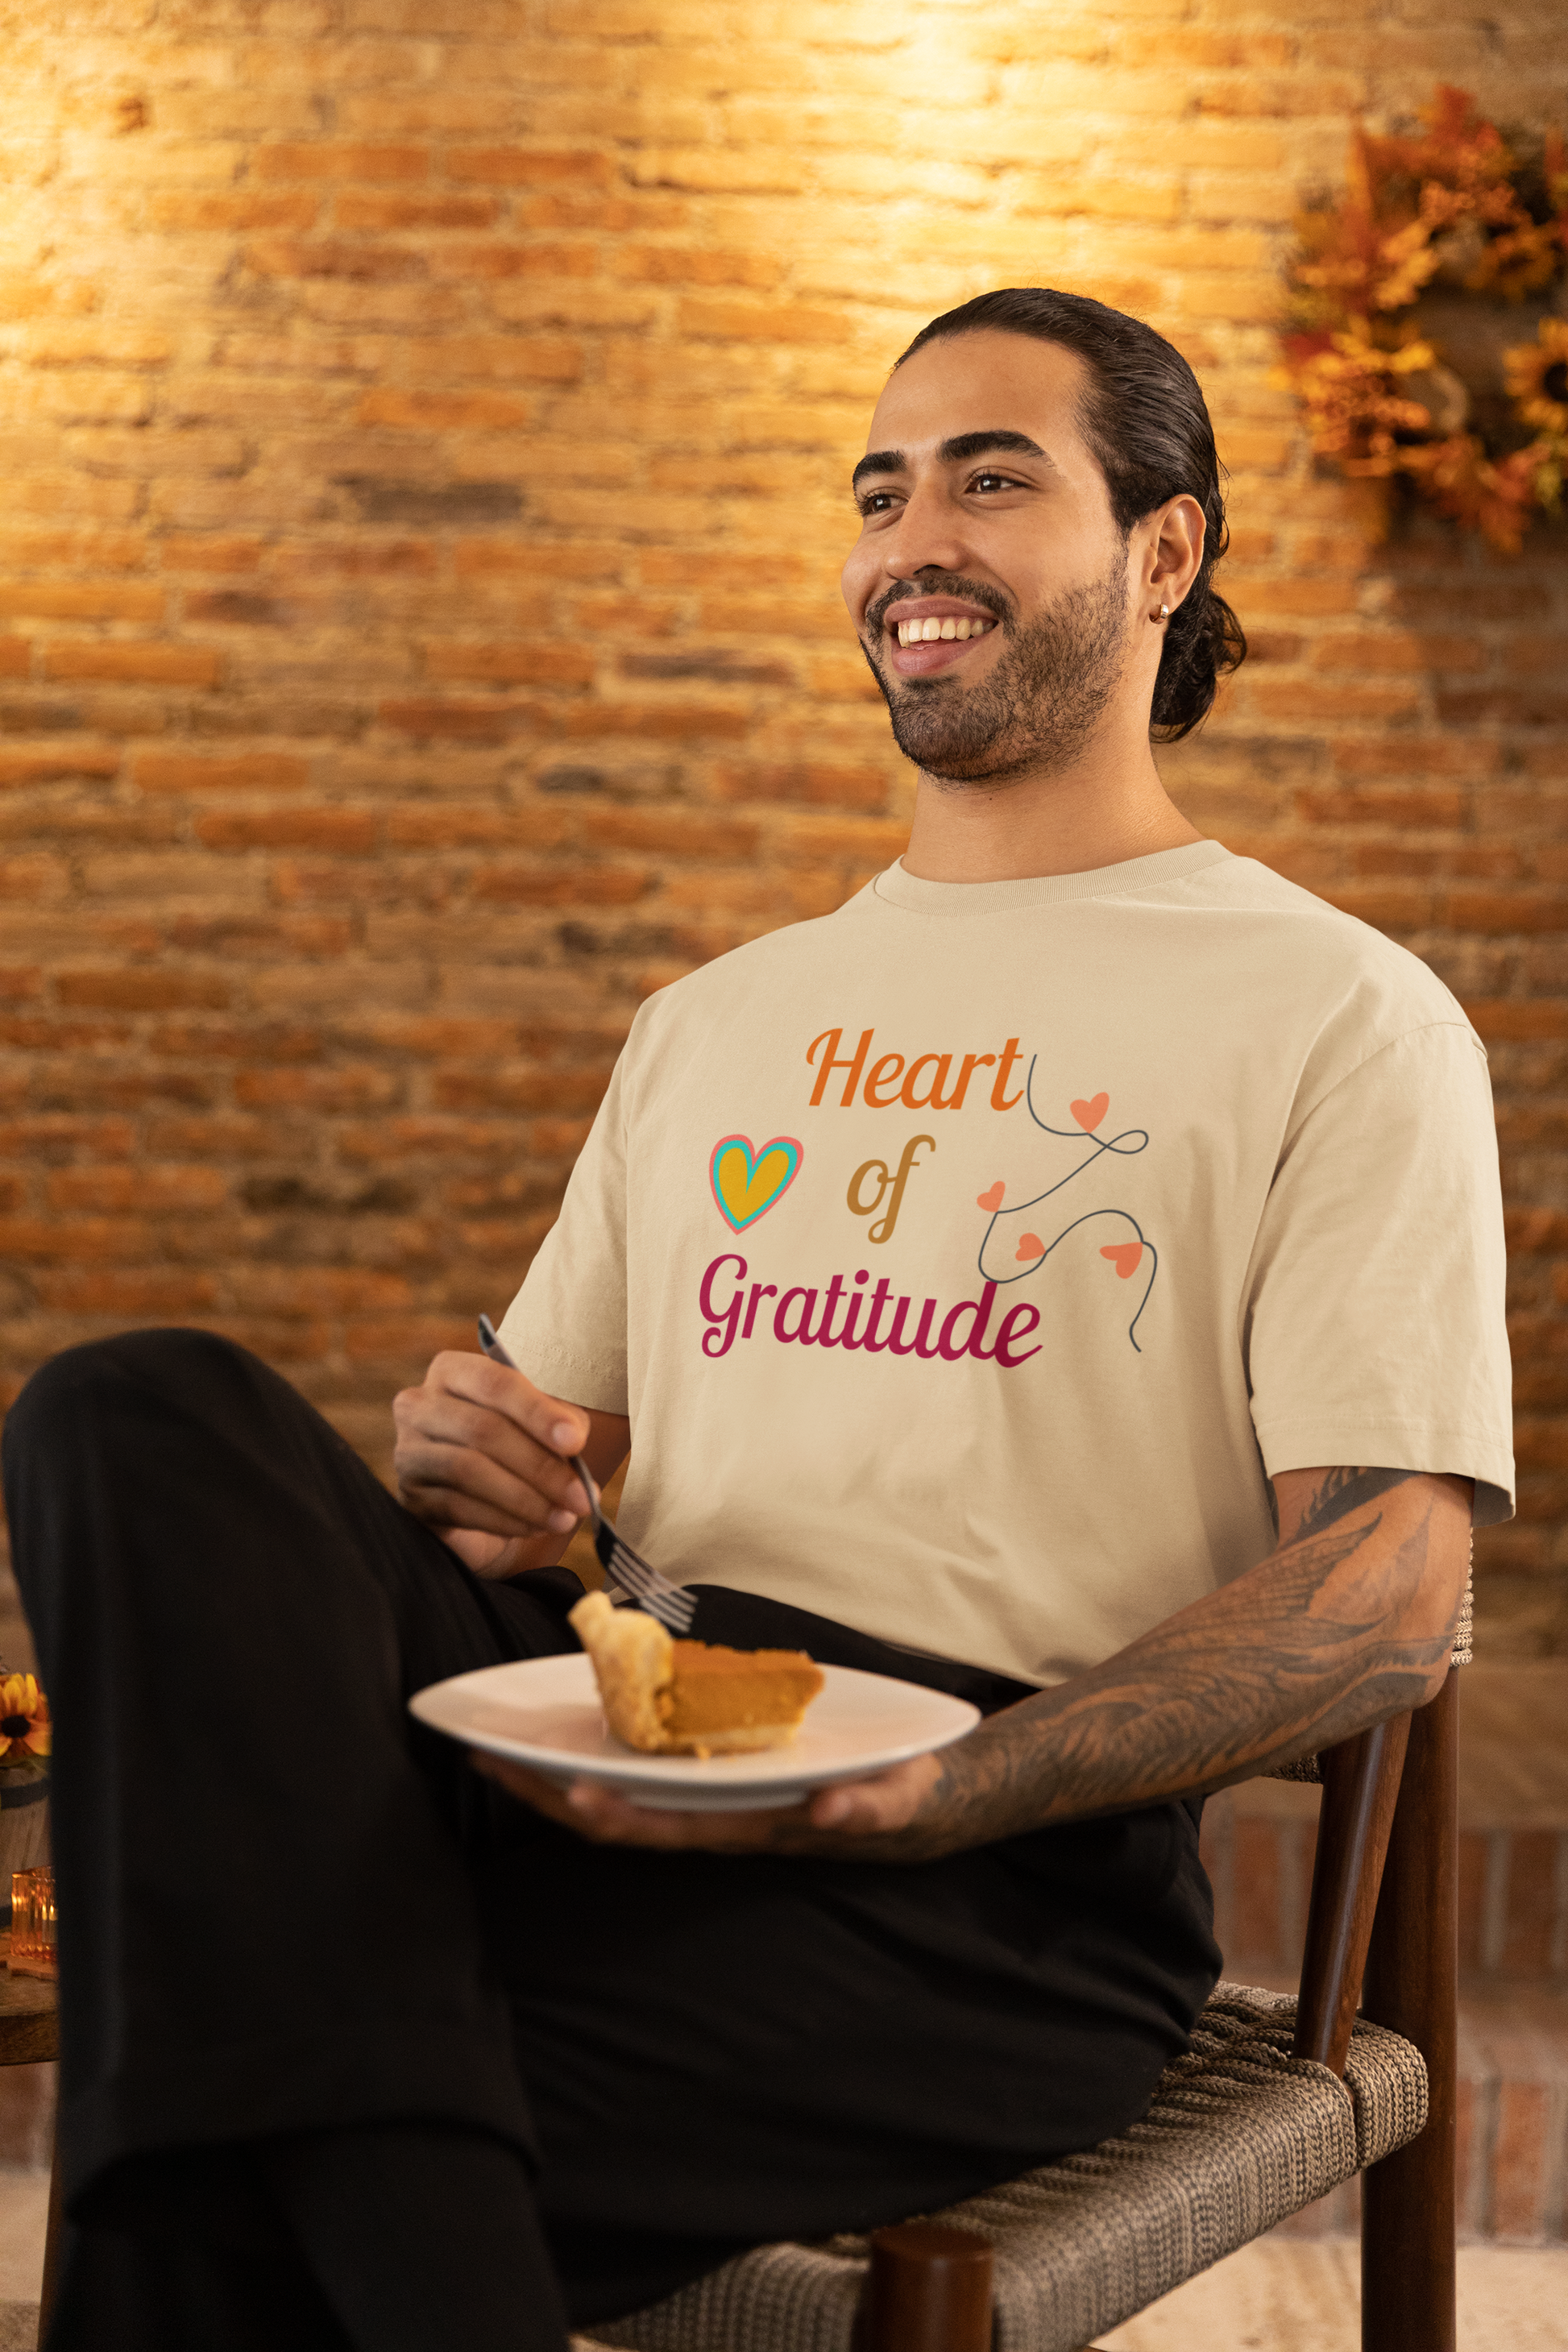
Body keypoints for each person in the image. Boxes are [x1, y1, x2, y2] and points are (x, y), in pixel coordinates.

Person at [3, 288, 1512, 2352]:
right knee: (129, 1406)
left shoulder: (1338, 1012)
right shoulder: (713, 1021)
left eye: (994, 478)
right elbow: (534, 1495)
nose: (912, 540)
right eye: (880, 492)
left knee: (214, 2087)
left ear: (1165, 554)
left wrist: (942, 1791)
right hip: (609, 1739)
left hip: (985, 1895)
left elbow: (1384, 1589)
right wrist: (474, 1468)